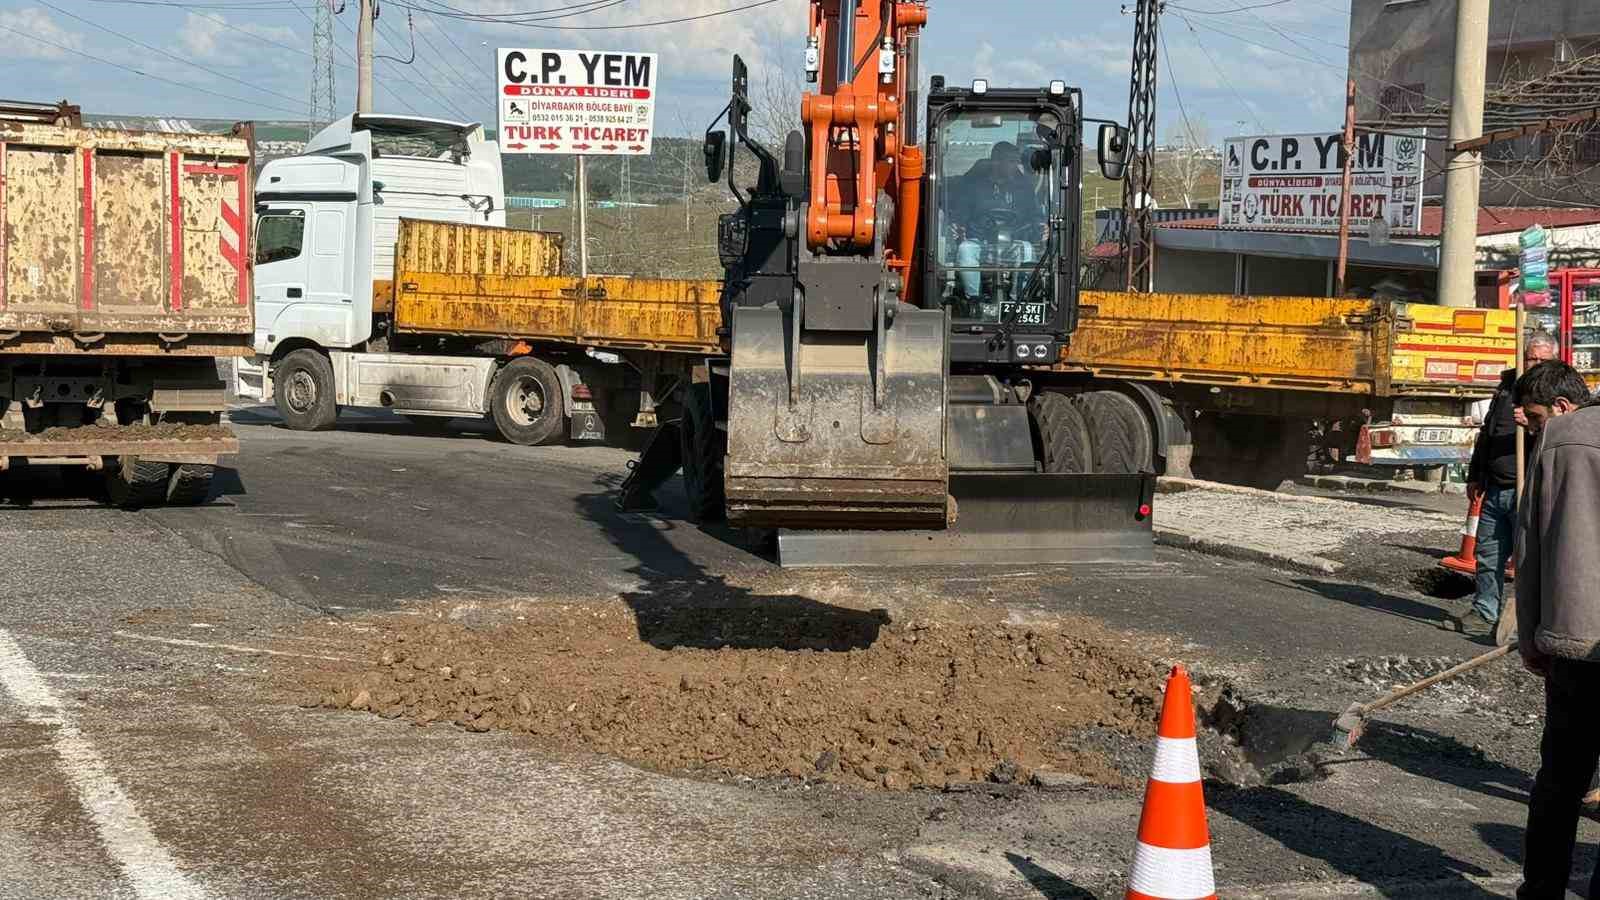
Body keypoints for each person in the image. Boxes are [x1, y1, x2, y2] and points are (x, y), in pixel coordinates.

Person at [1514, 360, 1599, 900]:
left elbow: (1531, 546)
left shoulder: (1561, 440)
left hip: (1572, 639)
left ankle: (1541, 891)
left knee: (1561, 780)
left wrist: (1532, 637)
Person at [1449, 332, 1558, 638]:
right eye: (1530, 357)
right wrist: (1475, 474)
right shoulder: (1509, 386)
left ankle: (1534, 619)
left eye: (1541, 359)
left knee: (1531, 559)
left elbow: (1563, 435)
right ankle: (1484, 612)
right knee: (1488, 553)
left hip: (1530, 488)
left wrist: (1535, 425)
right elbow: (1487, 433)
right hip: (1496, 488)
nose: (1534, 364)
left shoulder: (1555, 390)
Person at [952, 142, 1044, 306]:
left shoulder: (1024, 189)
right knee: (965, 250)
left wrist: (1042, 226)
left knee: (1027, 251)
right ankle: (974, 301)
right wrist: (958, 225)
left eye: (1015, 162)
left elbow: (1035, 215)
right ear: (996, 161)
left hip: (1013, 243)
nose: (1015, 166)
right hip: (980, 242)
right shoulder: (974, 186)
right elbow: (960, 213)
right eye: (1010, 161)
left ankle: (1018, 302)